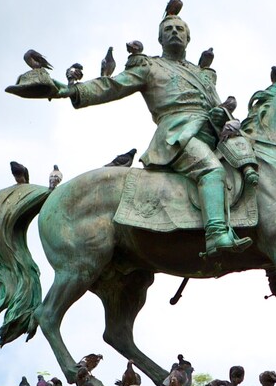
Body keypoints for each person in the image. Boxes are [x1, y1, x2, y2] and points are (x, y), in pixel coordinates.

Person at [45, 13, 252, 257]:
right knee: (212, 170)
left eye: (179, 29)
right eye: (168, 29)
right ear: (160, 39)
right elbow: (113, 86)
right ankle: (216, 234)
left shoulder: (202, 74)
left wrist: (220, 115)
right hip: (178, 135)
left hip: (213, 133)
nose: (174, 32)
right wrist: (72, 90)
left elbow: (217, 105)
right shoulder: (149, 66)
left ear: (188, 38)